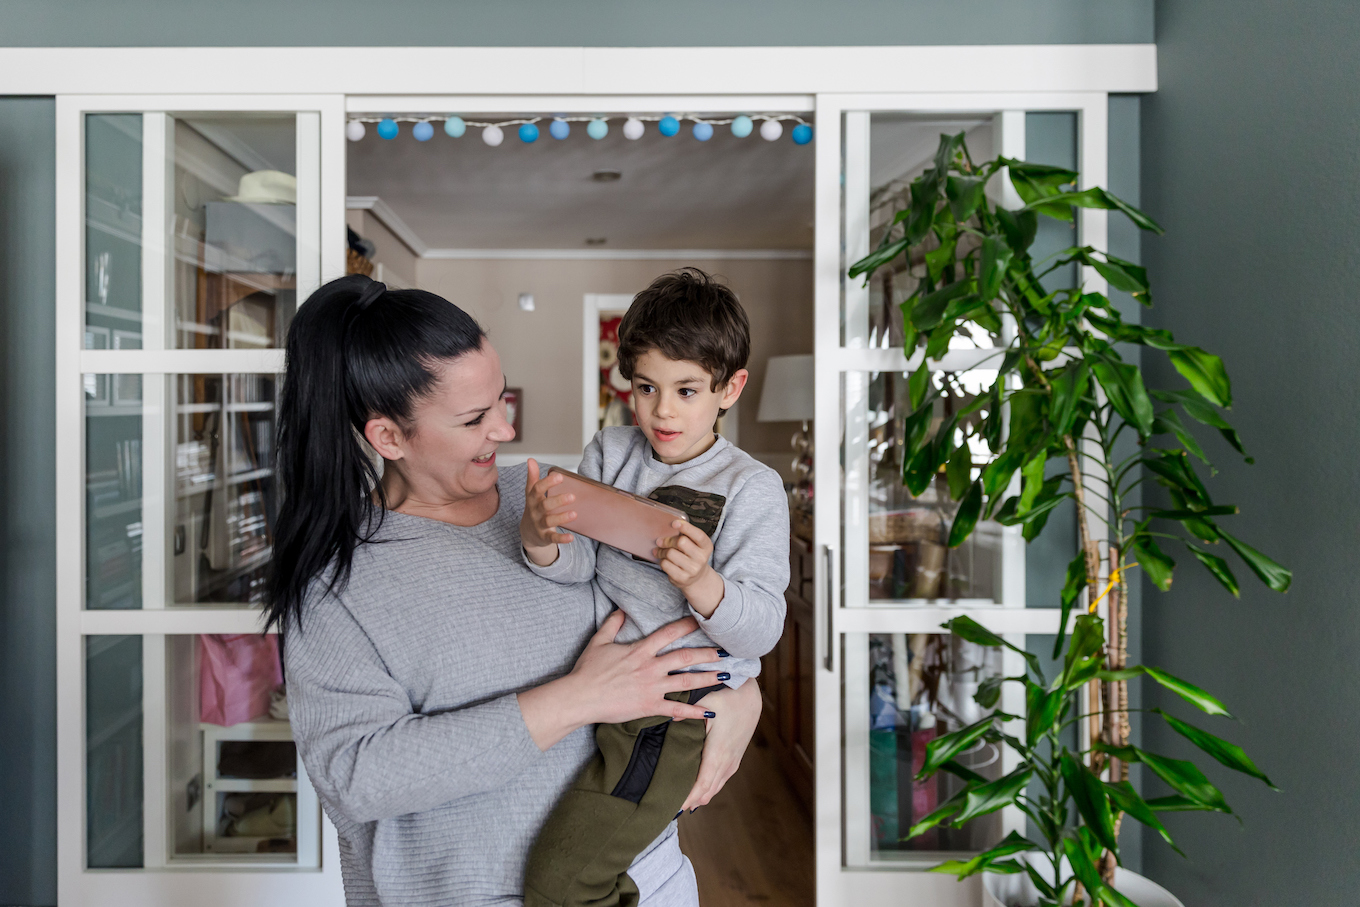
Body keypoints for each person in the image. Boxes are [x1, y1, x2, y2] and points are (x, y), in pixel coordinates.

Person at [265, 275, 764, 907]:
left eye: (498, 401)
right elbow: (355, 775)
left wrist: (744, 694)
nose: (504, 430)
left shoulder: (549, 501)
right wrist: (575, 699)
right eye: (474, 418)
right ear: (388, 437)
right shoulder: (339, 581)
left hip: (646, 880)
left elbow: (668, 606)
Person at [520, 268, 789, 907]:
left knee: (559, 882)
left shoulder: (752, 487)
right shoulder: (612, 451)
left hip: (676, 706)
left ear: (731, 389)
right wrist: (540, 536)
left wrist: (703, 584)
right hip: (609, 685)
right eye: (646, 387)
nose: (662, 410)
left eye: (687, 390)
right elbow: (577, 564)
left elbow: (763, 628)